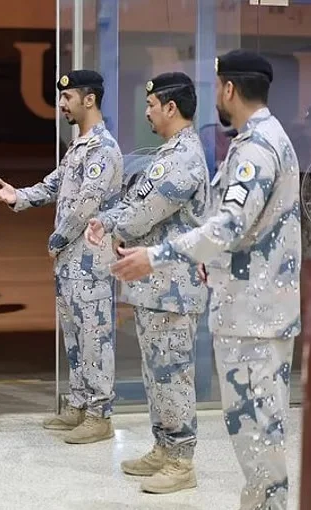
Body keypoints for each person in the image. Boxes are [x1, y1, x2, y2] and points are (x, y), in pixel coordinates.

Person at [111, 50, 300, 510]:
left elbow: (228, 225)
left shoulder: (256, 148)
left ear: (229, 88)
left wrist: (156, 256)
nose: (215, 94)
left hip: (254, 317)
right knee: (254, 439)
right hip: (251, 311)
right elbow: (245, 230)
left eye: (217, 86)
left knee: (259, 438)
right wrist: (210, 263)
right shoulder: (257, 141)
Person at [85, 72, 209, 494]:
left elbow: (143, 213)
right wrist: (108, 220)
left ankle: (181, 460)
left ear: (171, 107)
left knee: (173, 374)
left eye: (152, 106)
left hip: (173, 288)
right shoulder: (168, 154)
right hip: (155, 287)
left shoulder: (183, 158)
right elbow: (136, 199)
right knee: (157, 373)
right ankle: (164, 446)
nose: (147, 113)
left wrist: (111, 225)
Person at [0, 70, 123, 444]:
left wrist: (57, 238)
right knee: (75, 336)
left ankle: (99, 415)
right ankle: (79, 405)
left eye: (67, 97)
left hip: (90, 261)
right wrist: (19, 196)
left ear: (89, 99)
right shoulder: (78, 146)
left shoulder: (102, 149)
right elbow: (54, 184)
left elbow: (86, 204)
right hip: (71, 263)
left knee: (95, 337)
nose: (61, 104)